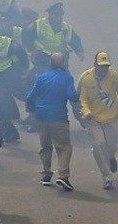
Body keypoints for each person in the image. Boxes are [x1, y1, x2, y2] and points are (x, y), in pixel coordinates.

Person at [25, 52, 81, 191]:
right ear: (63, 63)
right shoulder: (67, 77)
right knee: (64, 148)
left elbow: (30, 97)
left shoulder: (42, 77)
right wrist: (80, 93)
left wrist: (33, 111)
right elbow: (72, 96)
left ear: (50, 62)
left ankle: (46, 174)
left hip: (42, 117)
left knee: (46, 147)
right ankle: (63, 176)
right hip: (59, 117)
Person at [77, 51, 118, 189]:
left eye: (106, 66)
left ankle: (111, 158)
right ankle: (107, 176)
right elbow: (82, 98)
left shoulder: (115, 76)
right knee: (98, 145)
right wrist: (86, 112)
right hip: (93, 119)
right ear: (95, 64)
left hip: (111, 117)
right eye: (101, 66)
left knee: (112, 147)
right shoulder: (86, 78)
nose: (104, 69)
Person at [24, 2, 84, 75]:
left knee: (65, 78)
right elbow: (26, 35)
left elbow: (74, 40)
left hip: (60, 59)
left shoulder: (66, 28)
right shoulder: (39, 24)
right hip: (43, 58)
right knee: (40, 78)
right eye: (56, 15)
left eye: (60, 15)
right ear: (50, 14)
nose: (59, 17)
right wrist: (31, 50)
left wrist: (79, 51)